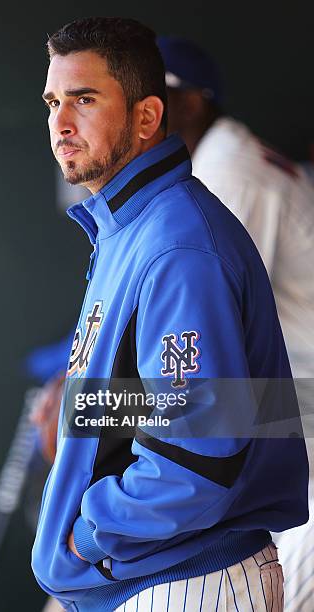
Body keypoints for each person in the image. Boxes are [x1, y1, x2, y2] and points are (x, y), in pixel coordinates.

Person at [31, 17, 308, 611]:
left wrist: (89, 534)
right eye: (53, 101)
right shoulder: (129, 226)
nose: (60, 122)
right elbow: (169, 397)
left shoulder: (179, 240)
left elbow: (198, 451)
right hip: (152, 572)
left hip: (187, 577)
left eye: (84, 99)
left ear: (149, 115)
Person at [157, 36, 314, 611]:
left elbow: (201, 341)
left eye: (154, 95)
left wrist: (102, 403)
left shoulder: (230, 173)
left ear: (191, 101)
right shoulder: (215, 164)